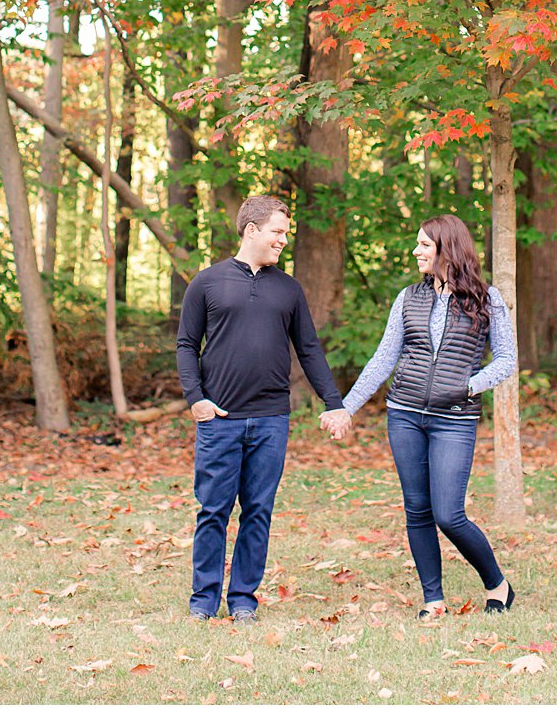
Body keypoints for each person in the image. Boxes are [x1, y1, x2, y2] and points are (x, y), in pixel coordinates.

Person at [321, 214, 516, 620]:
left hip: (455, 419)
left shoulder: (487, 299)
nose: (416, 252)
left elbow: (507, 361)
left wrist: (466, 387)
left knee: (449, 513)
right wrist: (346, 408)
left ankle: (497, 584)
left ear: (447, 248)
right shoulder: (408, 297)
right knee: (417, 509)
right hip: (405, 415)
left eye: (424, 245)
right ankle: (434, 600)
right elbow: (383, 360)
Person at [176, 194, 350, 622]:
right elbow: (185, 344)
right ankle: (204, 602)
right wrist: (196, 399)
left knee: (258, 511)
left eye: (285, 234)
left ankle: (242, 601)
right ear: (251, 230)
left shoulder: (288, 288)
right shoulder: (207, 283)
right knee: (213, 510)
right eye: (277, 232)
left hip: (272, 419)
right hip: (220, 419)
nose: (283, 241)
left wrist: (334, 403)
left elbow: (309, 350)